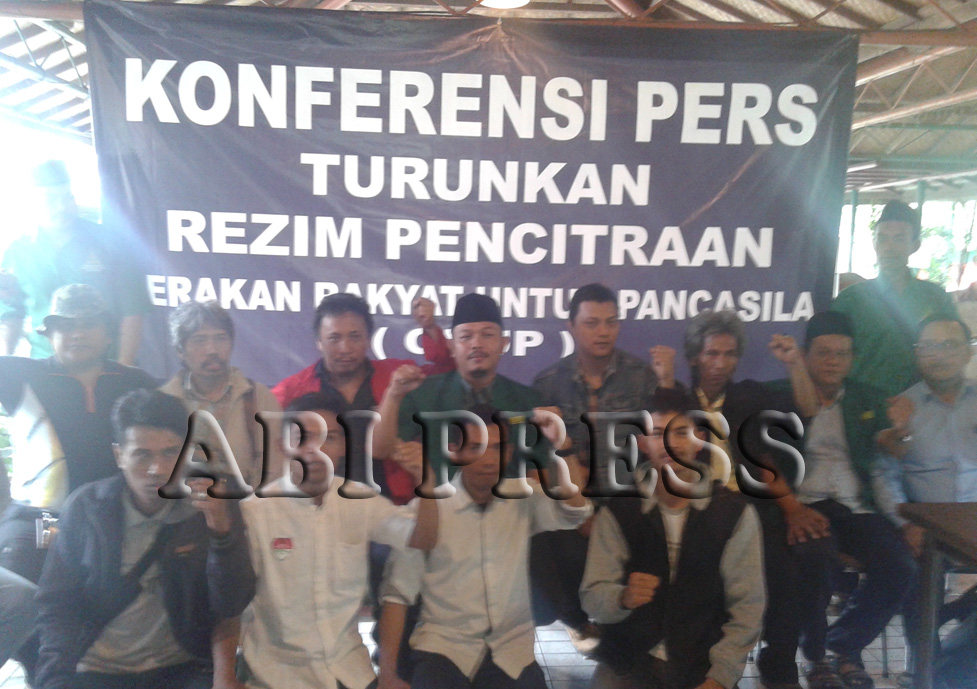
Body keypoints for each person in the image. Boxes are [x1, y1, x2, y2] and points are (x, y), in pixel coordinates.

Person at [33, 389, 255, 689]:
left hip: (183, 667)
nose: (157, 470)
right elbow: (57, 604)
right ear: (119, 456)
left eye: (170, 453)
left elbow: (231, 605)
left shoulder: (208, 508)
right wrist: (54, 678)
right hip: (98, 668)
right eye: (142, 455)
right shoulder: (87, 509)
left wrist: (222, 532)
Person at [377, 404, 591, 689]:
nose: (489, 460)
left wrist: (562, 446)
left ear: (510, 453)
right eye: (476, 448)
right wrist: (388, 674)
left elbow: (575, 511)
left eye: (497, 448)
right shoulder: (428, 509)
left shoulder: (522, 495)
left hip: (512, 649)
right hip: (443, 647)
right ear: (454, 451)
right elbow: (397, 594)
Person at [657, 309, 817, 689]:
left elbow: (808, 410)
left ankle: (779, 664)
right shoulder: (680, 399)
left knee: (789, 566)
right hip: (697, 508)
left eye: (729, 354)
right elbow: (662, 443)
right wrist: (664, 378)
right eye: (711, 354)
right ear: (694, 357)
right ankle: (698, 661)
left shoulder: (749, 395)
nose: (720, 363)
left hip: (749, 508)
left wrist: (795, 364)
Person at [580, 387, 765, 689]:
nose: (670, 444)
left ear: (699, 439)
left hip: (703, 661)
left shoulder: (732, 513)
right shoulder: (620, 510)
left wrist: (721, 675)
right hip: (628, 658)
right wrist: (622, 597)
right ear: (643, 443)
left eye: (681, 432)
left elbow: (747, 607)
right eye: (657, 434)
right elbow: (593, 597)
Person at [770, 312, 915, 689]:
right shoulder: (779, 394)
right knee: (815, 558)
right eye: (823, 352)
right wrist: (791, 509)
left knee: (901, 566)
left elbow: (892, 448)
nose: (833, 361)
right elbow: (761, 457)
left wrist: (901, 431)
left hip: (856, 505)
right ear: (805, 354)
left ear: (852, 358)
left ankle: (845, 645)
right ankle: (816, 656)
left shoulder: (867, 397)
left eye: (842, 353)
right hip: (805, 504)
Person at [238, 389, 418, 689]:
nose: (316, 450)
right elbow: (232, 605)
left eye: (329, 438)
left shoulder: (359, 499)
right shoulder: (255, 513)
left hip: (349, 669)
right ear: (283, 445)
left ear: (343, 445)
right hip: (278, 675)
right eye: (303, 438)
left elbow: (419, 537)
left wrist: (426, 480)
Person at [530, 283, 661, 649]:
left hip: (630, 504)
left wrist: (613, 516)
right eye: (591, 323)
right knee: (541, 542)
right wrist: (580, 514)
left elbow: (658, 449)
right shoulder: (548, 383)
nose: (603, 332)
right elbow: (541, 460)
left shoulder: (642, 378)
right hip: (572, 505)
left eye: (611, 322)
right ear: (571, 326)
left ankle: (628, 640)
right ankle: (575, 619)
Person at [0, 284, 157, 583]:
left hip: (113, 521)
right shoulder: (18, 375)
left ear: (109, 334)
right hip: (40, 520)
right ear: (48, 334)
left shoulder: (135, 383)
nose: (77, 334)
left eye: (89, 324)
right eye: (65, 326)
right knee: (18, 593)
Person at [272, 293, 452, 503]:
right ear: (319, 342)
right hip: (322, 508)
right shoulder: (293, 390)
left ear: (368, 339)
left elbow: (448, 375)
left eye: (355, 337)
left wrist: (430, 328)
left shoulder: (397, 375)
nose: (345, 348)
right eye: (334, 338)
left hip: (391, 504)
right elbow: (265, 438)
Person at [375, 292, 552, 486]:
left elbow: (537, 472)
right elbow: (379, 450)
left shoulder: (528, 401)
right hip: (441, 500)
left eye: (487, 335)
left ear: (504, 343)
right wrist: (393, 394)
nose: (476, 344)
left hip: (508, 502)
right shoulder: (422, 394)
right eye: (466, 336)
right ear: (451, 346)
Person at [0, 160, 150, 364]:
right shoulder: (18, 252)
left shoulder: (112, 243)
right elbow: (11, 313)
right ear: (31, 203)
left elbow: (133, 311)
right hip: (44, 368)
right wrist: (6, 365)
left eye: (67, 197)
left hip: (103, 365)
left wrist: (122, 369)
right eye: (51, 199)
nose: (63, 207)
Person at [831, 201, 958, 398]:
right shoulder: (851, 300)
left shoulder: (936, 298)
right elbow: (832, 357)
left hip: (924, 405)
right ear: (874, 243)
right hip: (864, 408)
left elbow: (954, 352)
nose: (889, 248)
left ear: (915, 245)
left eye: (899, 239)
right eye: (882, 239)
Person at [160, 300, 283, 489]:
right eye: (199, 340)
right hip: (181, 503)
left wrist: (248, 505)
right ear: (180, 350)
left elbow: (274, 471)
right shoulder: (164, 401)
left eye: (220, 338)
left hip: (246, 502)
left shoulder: (258, 398)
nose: (212, 350)